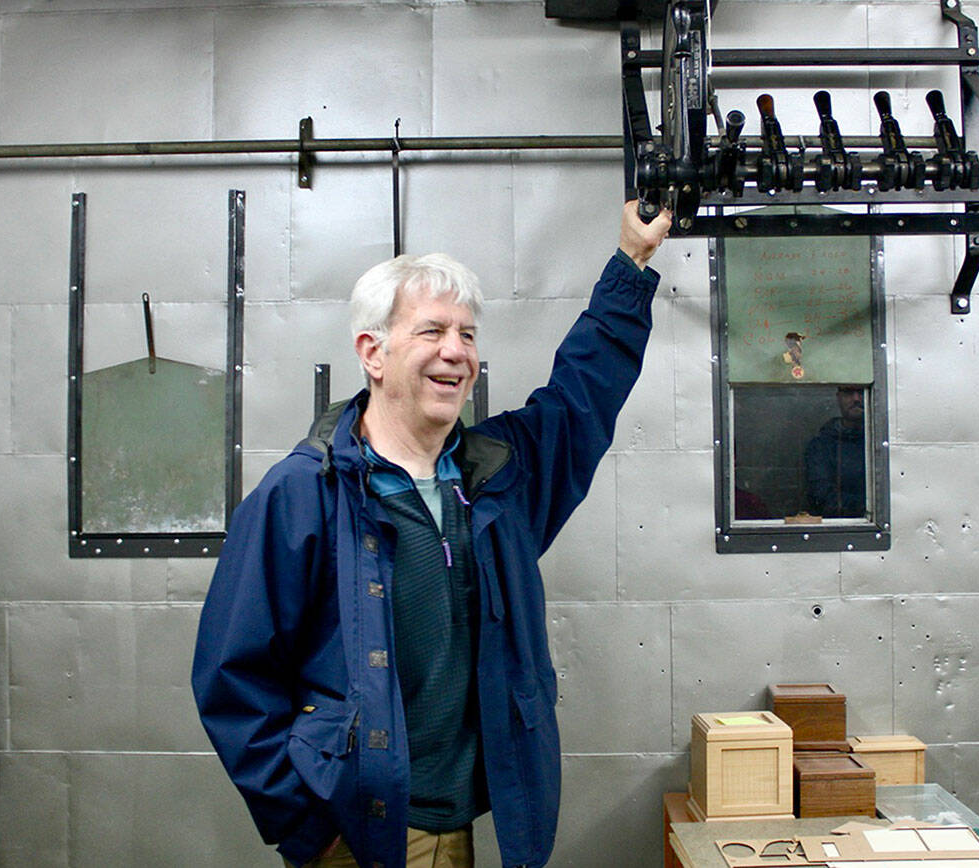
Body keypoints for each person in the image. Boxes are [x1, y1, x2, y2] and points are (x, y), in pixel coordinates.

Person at [191, 201, 671, 868]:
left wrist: (633, 261)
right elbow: (230, 676)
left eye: (468, 335)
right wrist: (309, 830)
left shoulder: (497, 477)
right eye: (433, 331)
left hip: (463, 823)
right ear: (373, 353)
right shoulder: (305, 493)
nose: (456, 352)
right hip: (367, 830)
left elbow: (581, 395)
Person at [804, 385, 867, 518]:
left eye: (862, 391)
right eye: (848, 392)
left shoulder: (881, 442)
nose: (856, 399)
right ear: (838, 398)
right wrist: (867, 505)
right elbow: (822, 497)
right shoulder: (821, 447)